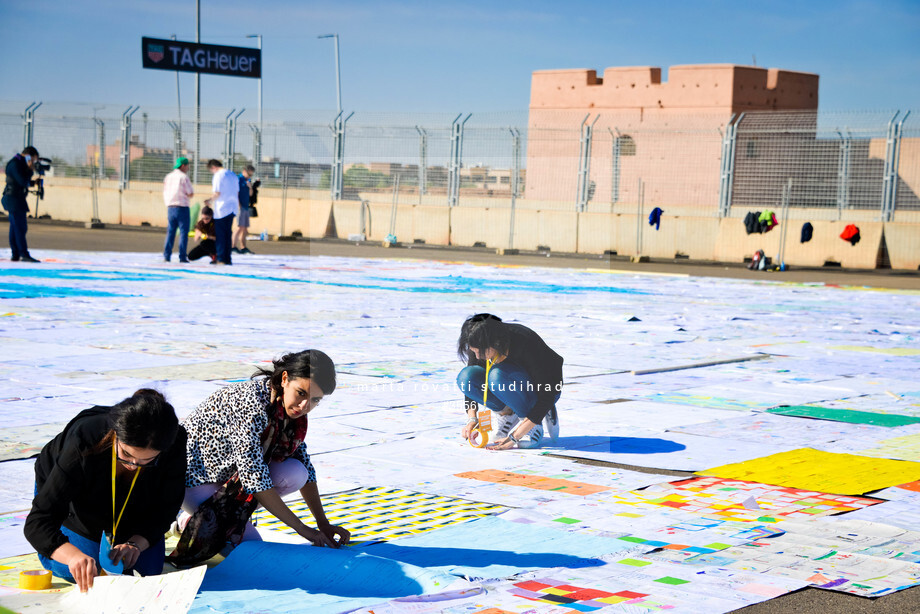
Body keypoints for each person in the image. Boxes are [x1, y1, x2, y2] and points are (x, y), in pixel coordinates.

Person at [174, 349, 349, 565]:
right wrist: (305, 531)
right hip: (192, 481)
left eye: (315, 400)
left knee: (296, 472)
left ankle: (200, 517)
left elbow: (306, 466)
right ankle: (193, 517)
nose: (305, 407)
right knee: (252, 549)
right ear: (285, 379)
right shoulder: (252, 404)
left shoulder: (288, 409)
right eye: (301, 393)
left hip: (229, 481)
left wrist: (323, 524)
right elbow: (254, 479)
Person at [24, 390, 186, 593]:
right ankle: (54, 555)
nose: (133, 466)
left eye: (147, 460)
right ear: (116, 434)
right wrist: (73, 556)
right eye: (126, 454)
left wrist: (135, 543)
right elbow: (38, 522)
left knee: (146, 570)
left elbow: (167, 507)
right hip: (78, 500)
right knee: (89, 569)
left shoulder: (174, 442)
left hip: (133, 503)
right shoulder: (85, 439)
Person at [457, 314, 562, 450]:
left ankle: (531, 423)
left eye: (481, 352)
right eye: (474, 351)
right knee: (466, 377)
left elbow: (548, 393)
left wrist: (515, 436)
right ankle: (508, 414)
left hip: (545, 388)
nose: (478, 357)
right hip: (512, 385)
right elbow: (470, 381)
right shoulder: (478, 340)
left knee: (497, 376)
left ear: (495, 342)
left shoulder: (525, 341)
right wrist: (472, 419)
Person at [2, 146, 41, 263]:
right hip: (13, 199)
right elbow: (22, 181)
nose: (33, 162)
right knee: (20, 227)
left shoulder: (18, 163)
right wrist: (30, 169)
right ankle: (23, 254)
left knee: (15, 227)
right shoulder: (15, 164)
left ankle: (16, 254)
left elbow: (21, 181)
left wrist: (33, 182)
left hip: (16, 198)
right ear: (29, 156)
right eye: (34, 159)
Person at [204, 159, 239, 265]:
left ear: (213, 167)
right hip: (232, 207)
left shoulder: (218, 175)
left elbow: (217, 193)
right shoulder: (232, 174)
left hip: (222, 209)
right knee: (228, 234)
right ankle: (228, 258)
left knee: (220, 236)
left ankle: (221, 258)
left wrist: (209, 200)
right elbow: (237, 192)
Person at [162, 157, 194, 263]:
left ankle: (167, 256)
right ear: (183, 166)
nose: (188, 168)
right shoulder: (183, 177)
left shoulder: (168, 177)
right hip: (182, 207)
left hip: (170, 207)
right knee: (183, 233)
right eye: (187, 165)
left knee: (170, 232)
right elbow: (190, 193)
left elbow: (165, 190)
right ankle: (182, 257)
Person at [232, 165, 255, 255]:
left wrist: (250, 187)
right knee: (239, 228)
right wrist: (239, 206)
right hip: (240, 207)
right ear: (245, 171)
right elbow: (235, 193)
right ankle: (233, 247)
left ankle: (243, 247)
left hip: (246, 207)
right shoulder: (238, 179)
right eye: (249, 173)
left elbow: (250, 194)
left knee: (245, 229)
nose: (250, 176)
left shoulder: (248, 180)